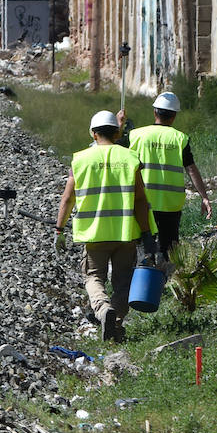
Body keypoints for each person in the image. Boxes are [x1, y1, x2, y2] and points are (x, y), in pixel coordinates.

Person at [55, 110, 158, 342]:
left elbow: (67, 199)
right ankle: (116, 323)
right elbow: (140, 200)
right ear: (117, 133)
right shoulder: (130, 158)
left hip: (95, 233)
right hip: (125, 233)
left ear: (93, 134)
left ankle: (103, 310)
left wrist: (59, 230)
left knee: (93, 277)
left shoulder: (80, 160)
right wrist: (146, 233)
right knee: (124, 281)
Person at [126, 91, 212, 260]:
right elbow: (191, 169)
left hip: (143, 201)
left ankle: (144, 272)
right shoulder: (180, 139)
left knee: (143, 247)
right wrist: (204, 196)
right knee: (169, 250)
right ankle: (166, 274)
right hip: (170, 204)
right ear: (174, 116)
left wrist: (120, 124)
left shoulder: (136, 135)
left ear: (155, 112)